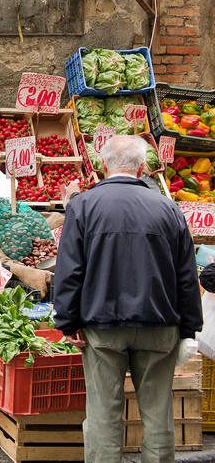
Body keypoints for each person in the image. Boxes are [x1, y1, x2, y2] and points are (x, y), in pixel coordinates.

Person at [53, 135, 202, 463]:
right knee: (158, 416)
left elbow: (69, 270)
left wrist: (68, 321)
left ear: (103, 166)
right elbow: (187, 276)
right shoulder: (169, 208)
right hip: (159, 325)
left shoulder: (84, 204)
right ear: (143, 168)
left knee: (104, 416)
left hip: (102, 326)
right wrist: (190, 330)